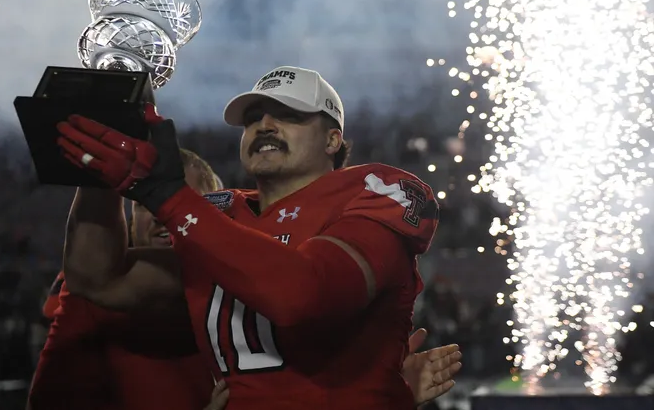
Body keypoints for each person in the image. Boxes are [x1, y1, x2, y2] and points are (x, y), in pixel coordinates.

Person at [55, 66, 457, 409]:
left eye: (288, 115)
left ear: (333, 140)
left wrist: (169, 197)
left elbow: (306, 295)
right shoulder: (218, 212)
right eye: (254, 118)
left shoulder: (376, 190)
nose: (264, 125)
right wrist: (99, 172)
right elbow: (98, 279)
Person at [28, 149, 224, 410]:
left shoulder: (243, 289)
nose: (159, 212)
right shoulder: (87, 291)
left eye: (180, 199)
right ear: (129, 220)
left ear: (219, 216)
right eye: (144, 202)